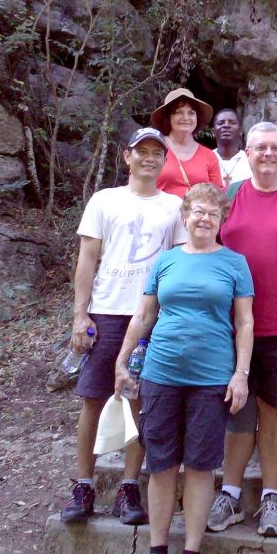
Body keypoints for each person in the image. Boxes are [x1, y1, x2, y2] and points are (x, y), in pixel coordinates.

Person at [117, 183, 253, 554]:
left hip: (212, 377)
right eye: (197, 210)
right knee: (160, 464)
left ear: (222, 218)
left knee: (198, 466)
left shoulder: (235, 263)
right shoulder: (166, 261)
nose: (204, 218)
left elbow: (245, 323)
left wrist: (241, 373)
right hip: (161, 373)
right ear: (186, 215)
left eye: (213, 212)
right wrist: (121, 361)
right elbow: (145, 313)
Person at [59, 127, 187, 526]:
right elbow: (87, 259)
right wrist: (81, 314)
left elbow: (180, 262)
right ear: (127, 156)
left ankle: (129, 486)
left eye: (156, 153)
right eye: (141, 151)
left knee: (140, 400)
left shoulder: (174, 206)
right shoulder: (105, 200)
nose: (149, 158)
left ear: (164, 160)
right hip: (108, 312)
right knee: (94, 398)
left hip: (152, 316)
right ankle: (84, 483)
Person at [206, 123, 277, 538]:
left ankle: (271, 496)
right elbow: (206, 251)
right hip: (229, 326)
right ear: (247, 152)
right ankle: (231, 494)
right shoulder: (230, 197)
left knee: (275, 412)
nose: (268, 154)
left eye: (275, 147)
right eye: (260, 147)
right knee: (237, 410)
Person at [152, 88, 223, 196]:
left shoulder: (209, 156)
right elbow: (138, 186)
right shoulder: (154, 148)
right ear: (168, 117)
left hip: (198, 213)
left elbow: (217, 197)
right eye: (178, 112)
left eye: (191, 113)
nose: (186, 118)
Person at [211, 108, 252, 187]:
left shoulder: (250, 160)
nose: (226, 125)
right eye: (221, 123)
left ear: (240, 131)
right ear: (213, 132)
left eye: (232, 123)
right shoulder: (206, 159)